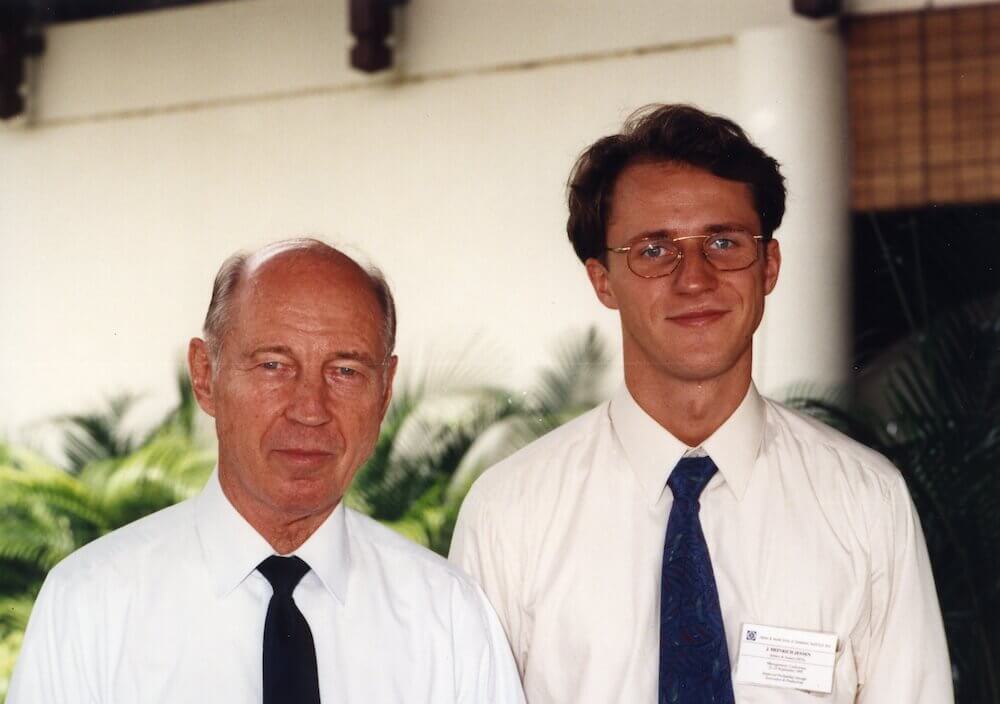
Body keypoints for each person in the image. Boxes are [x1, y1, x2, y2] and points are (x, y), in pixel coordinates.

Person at [449, 105, 953, 703]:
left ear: (768, 266)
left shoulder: (866, 502)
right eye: (654, 250)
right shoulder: (511, 513)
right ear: (602, 279)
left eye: (723, 241)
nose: (695, 278)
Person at [10, 238, 525, 704]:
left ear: (385, 391)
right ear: (205, 376)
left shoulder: (451, 620)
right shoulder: (89, 606)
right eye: (273, 365)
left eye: (345, 371)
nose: (310, 408)